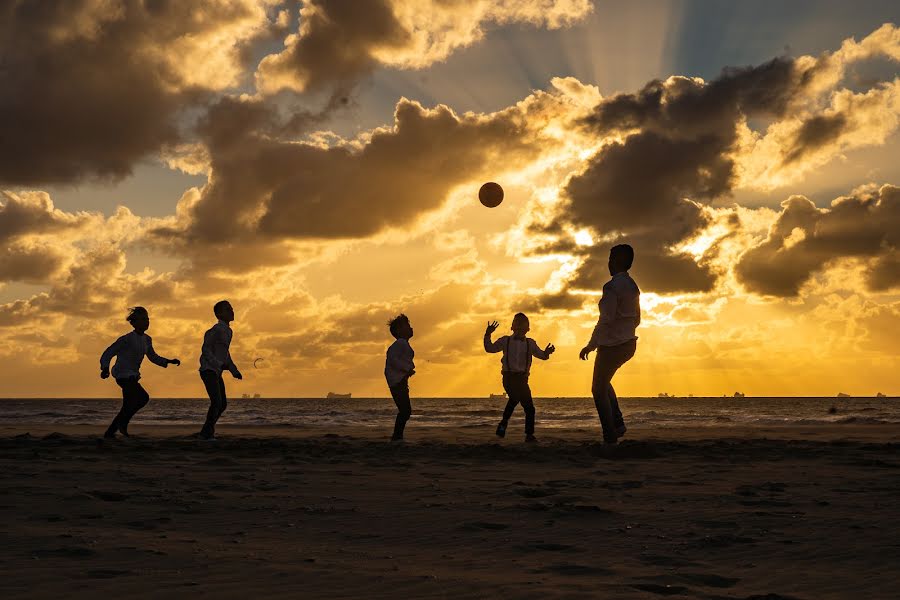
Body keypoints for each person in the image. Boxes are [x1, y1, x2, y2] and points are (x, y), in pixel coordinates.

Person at [579, 244, 641, 444]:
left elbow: (605, 320)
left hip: (612, 346)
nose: (608, 263)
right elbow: (637, 319)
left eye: (611, 259)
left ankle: (610, 435)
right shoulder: (633, 286)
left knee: (597, 390)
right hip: (629, 344)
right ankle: (618, 424)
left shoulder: (612, 287)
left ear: (617, 262)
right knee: (604, 382)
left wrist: (591, 345)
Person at [100, 306, 180, 438]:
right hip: (123, 375)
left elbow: (153, 357)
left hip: (133, 376)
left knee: (127, 406)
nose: (146, 321)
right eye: (142, 319)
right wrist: (105, 368)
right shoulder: (126, 339)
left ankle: (110, 433)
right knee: (143, 397)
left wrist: (168, 361)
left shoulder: (147, 339)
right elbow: (108, 353)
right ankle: (122, 424)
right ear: (134, 322)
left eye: (147, 319)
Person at [484, 313, 555, 442]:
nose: (520, 328)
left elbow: (542, 356)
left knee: (530, 408)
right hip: (508, 378)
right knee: (515, 397)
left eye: (523, 326)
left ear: (528, 329)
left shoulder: (530, 343)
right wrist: (488, 334)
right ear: (512, 327)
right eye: (517, 325)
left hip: (523, 380)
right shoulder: (505, 341)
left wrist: (547, 352)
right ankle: (504, 423)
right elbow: (489, 348)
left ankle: (529, 435)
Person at [196, 300, 242, 440]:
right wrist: (218, 364)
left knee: (222, 404)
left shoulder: (228, 331)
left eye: (231, 309)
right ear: (219, 314)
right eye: (228, 309)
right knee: (217, 402)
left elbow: (225, 352)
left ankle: (207, 430)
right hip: (208, 370)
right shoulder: (215, 330)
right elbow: (205, 349)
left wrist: (233, 370)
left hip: (216, 371)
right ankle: (206, 433)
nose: (232, 311)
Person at [385, 314, 415, 441]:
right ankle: (397, 436)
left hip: (399, 381)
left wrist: (408, 370)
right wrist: (406, 369)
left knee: (405, 410)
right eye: (407, 326)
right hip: (397, 382)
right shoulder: (400, 343)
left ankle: (398, 436)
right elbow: (392, 360)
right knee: (405, 411)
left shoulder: (403, 344)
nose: (411, 328)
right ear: (399, 331)